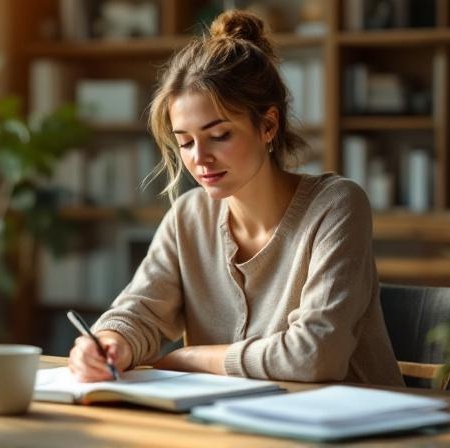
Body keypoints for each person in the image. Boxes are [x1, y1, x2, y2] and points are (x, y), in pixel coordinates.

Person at [68, 10, 404, 387]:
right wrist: (111, 344)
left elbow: (315, 355)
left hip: (356, 430)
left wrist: (191, 357)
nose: (200, 158)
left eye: (220, 135)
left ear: (268, 125)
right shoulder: (188, 217)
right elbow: (139, 312)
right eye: (185, 142)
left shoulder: (337, 205)